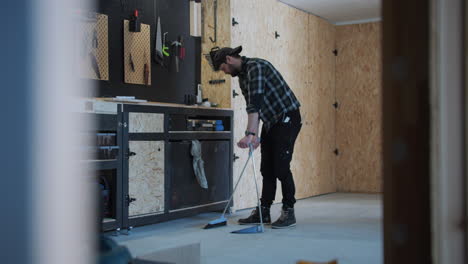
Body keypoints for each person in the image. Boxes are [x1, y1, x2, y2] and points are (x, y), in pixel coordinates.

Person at [207, 46, 302, 229]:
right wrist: (255, 135)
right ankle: (263, 211)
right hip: (271, 121)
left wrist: (250, 134)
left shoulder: (256, 67)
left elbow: (256, 103)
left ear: (228, 59)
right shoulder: (242, 76)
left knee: (281, 167)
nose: (225, 73)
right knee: (266, 168)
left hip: (287, 117)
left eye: (223, 68)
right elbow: (253, 108)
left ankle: (288, 210)